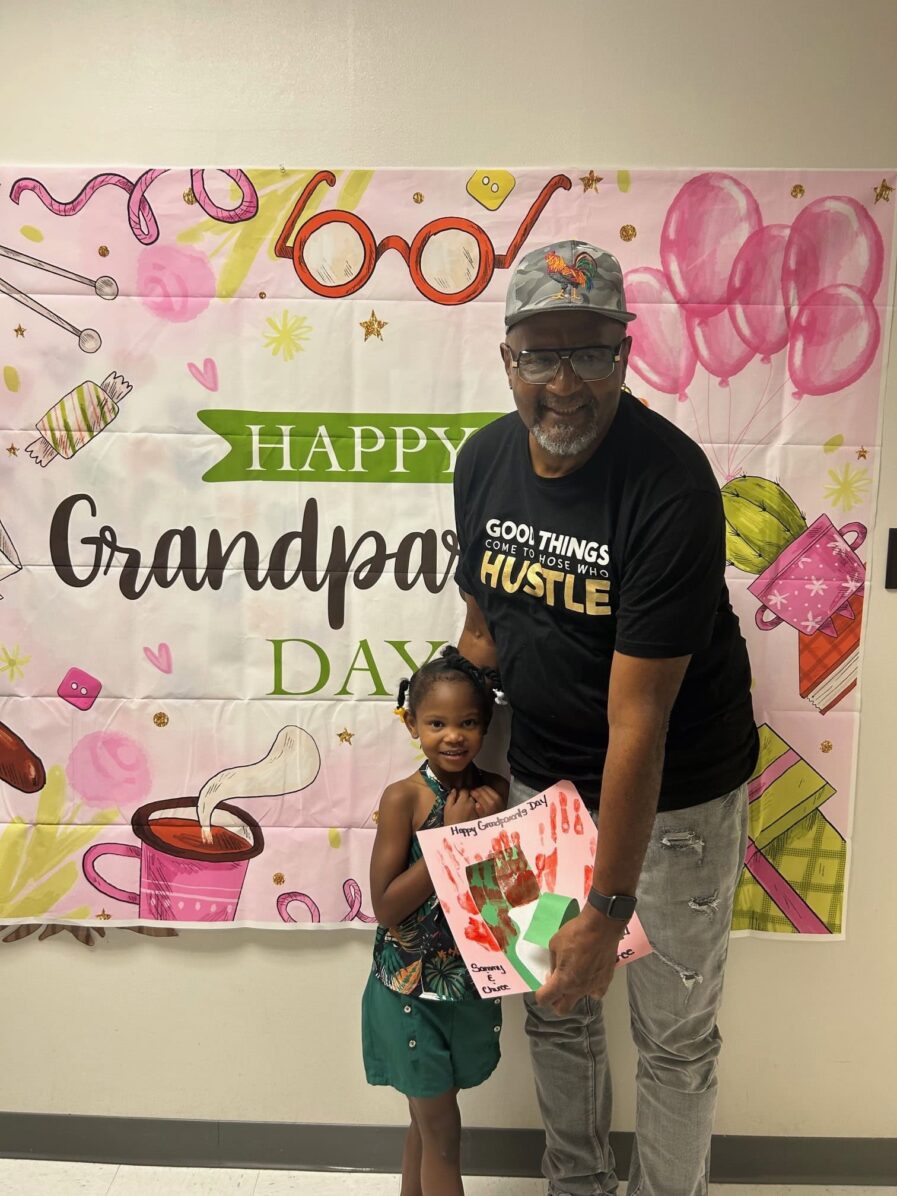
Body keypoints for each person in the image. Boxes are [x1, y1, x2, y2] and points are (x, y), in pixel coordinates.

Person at [453, 241, 759, 1196]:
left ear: (624, 355)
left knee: (670, 1037)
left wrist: (607, 907)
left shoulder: (668, 482)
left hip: (673, 806)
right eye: (539, 356)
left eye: (589, 353)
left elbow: (642, 727)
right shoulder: (483, 460)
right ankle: (576, 1187)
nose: (565, 384)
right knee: (553, 1008)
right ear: (507, 359)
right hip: (544, 790)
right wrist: (441, 756)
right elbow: (482, 626)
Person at [363, 645, 510, 1196]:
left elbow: (503, 900)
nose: (453, 735)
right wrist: (449, 842)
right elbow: (385, 906)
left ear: (486, 725)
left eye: (468, 722)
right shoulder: (403, 798)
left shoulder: (494, 794)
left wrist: (490, 833)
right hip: (406, 989)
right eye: (437, 722)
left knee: (425, 1125)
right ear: (412, 725)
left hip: (467, 985)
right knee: (444, 1134)